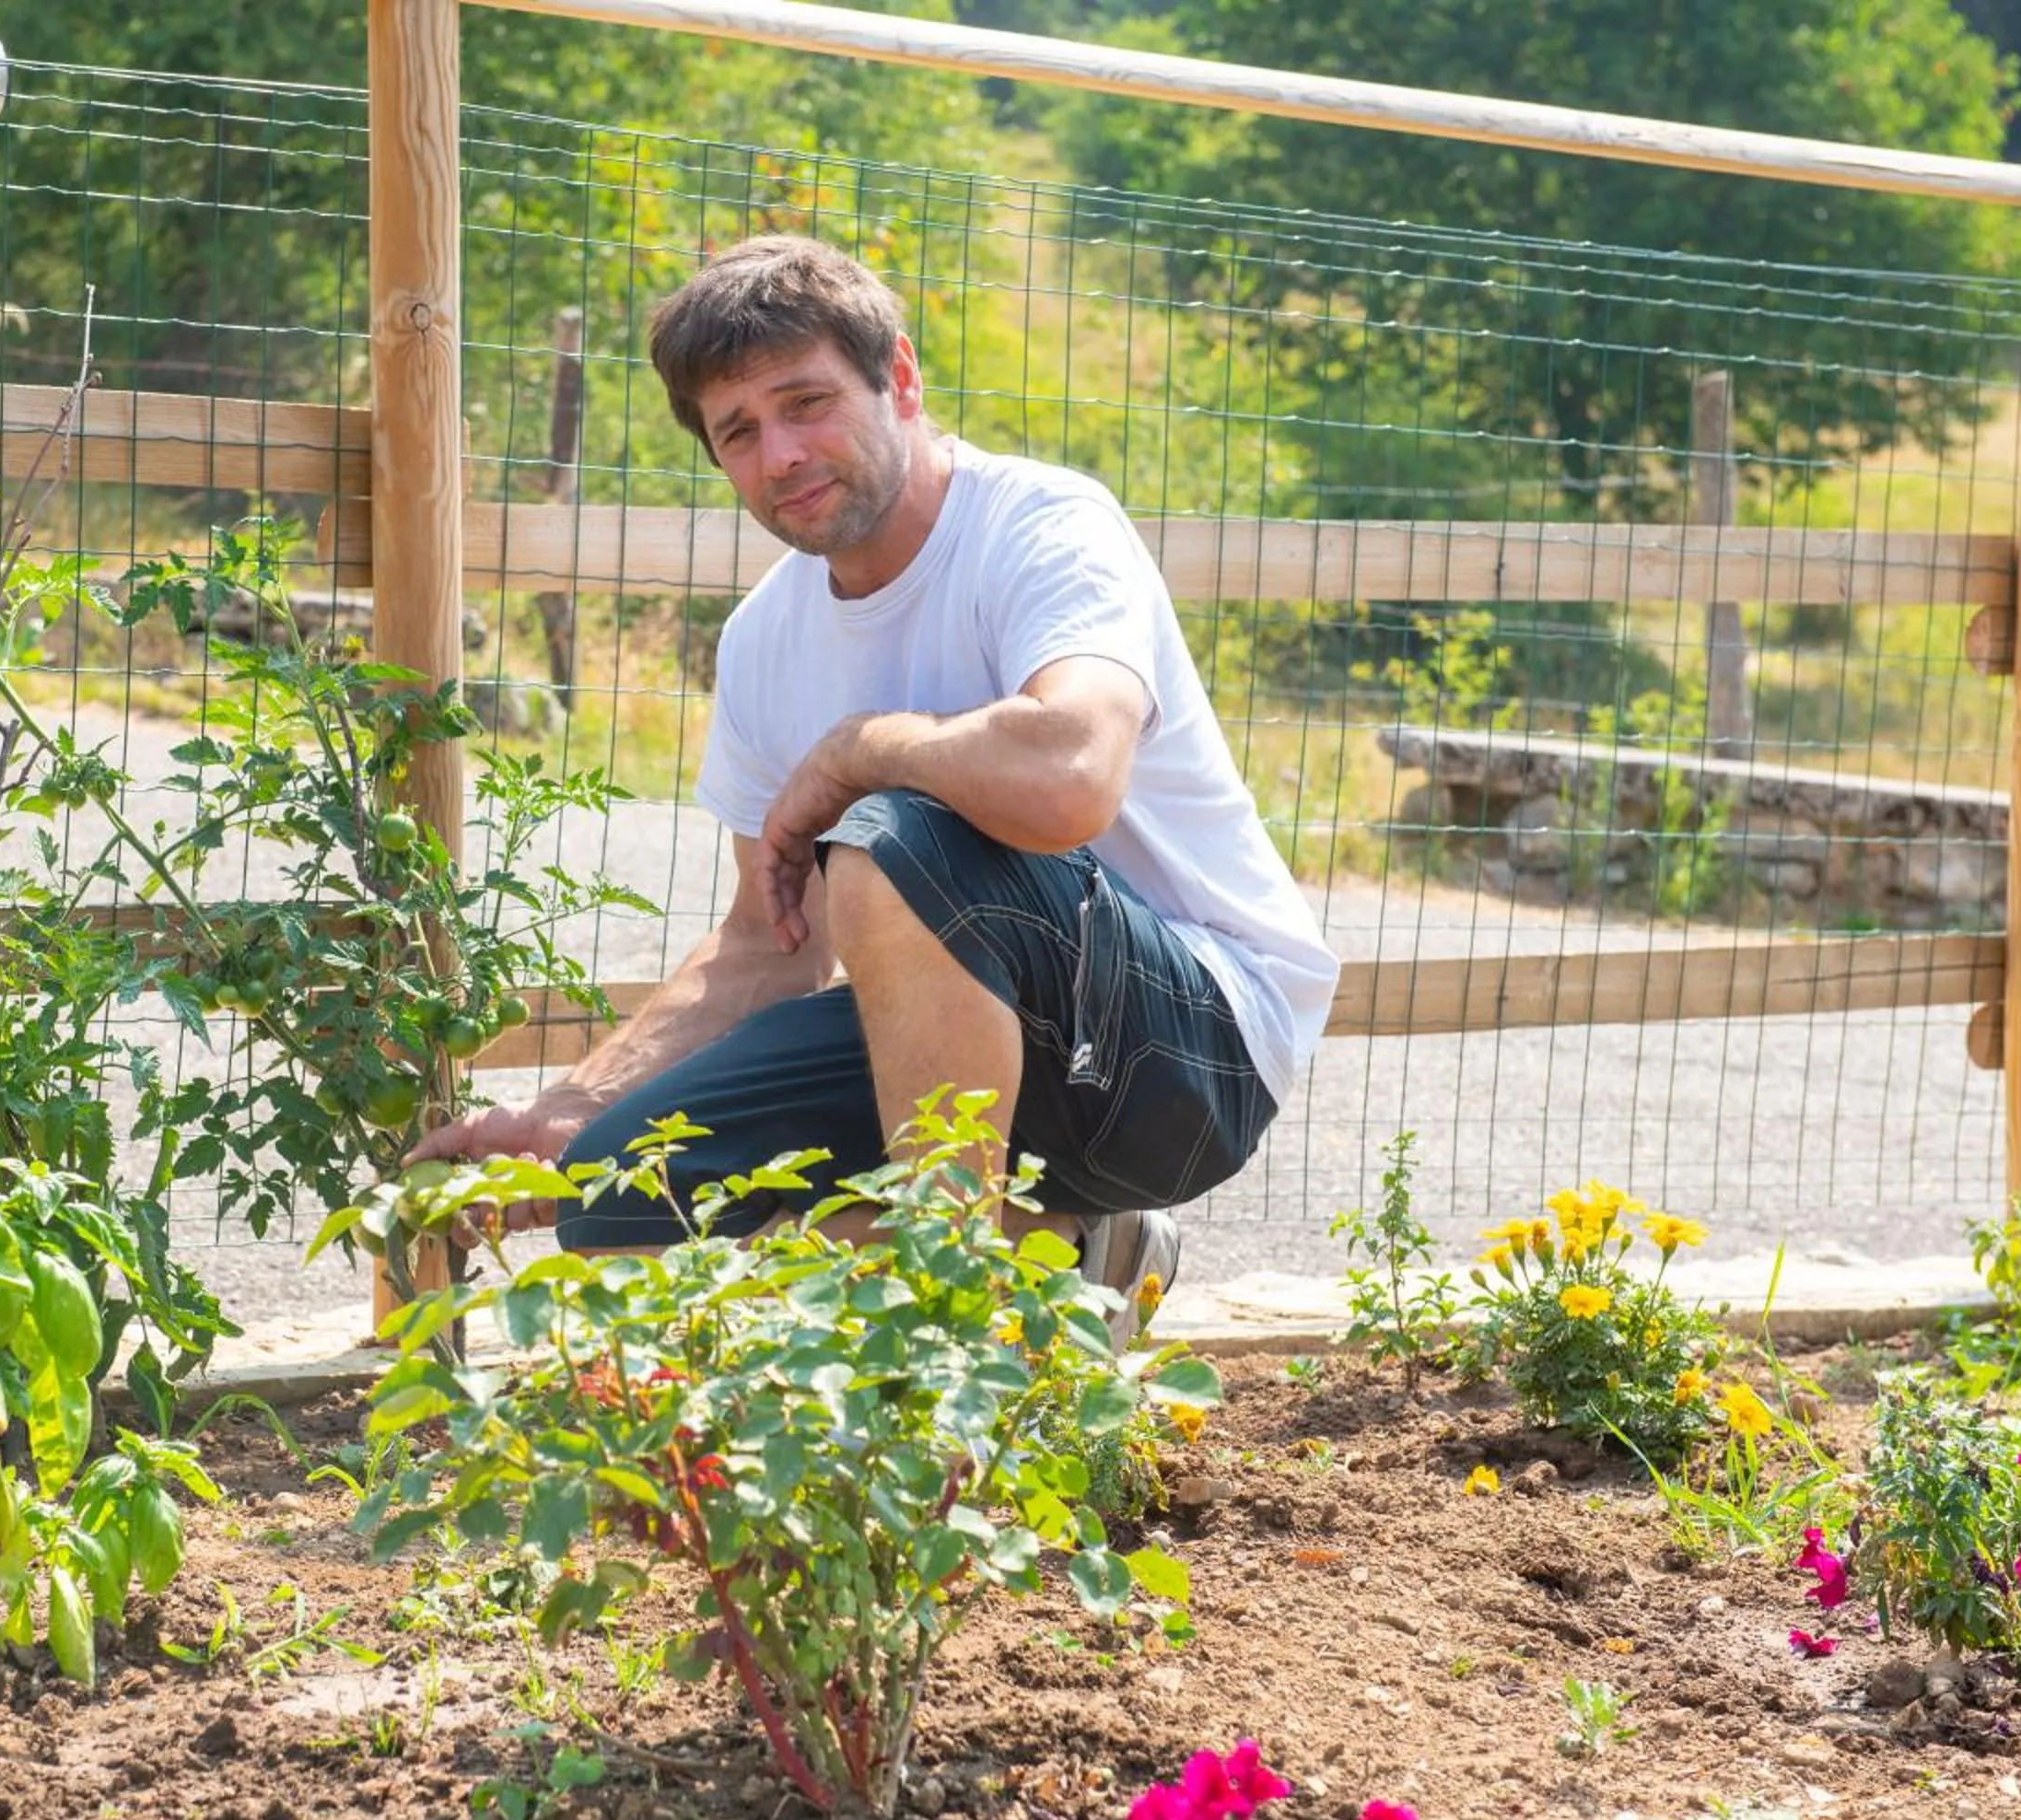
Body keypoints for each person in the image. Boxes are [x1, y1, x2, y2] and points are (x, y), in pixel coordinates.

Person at [411, 234, 1337, 1336]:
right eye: (739, 432)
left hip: (1187, 1050)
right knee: (617, 1198)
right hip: (958, 1048)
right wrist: (573, 1103)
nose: (781, 455)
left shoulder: (1043, 527)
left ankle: (944, 1338)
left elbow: (1072, 779)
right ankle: (1071, 1242)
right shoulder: (765, 640)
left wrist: (860, 747)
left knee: (889, 837)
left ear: (900, 377)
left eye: (806, 403)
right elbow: (769, 940)